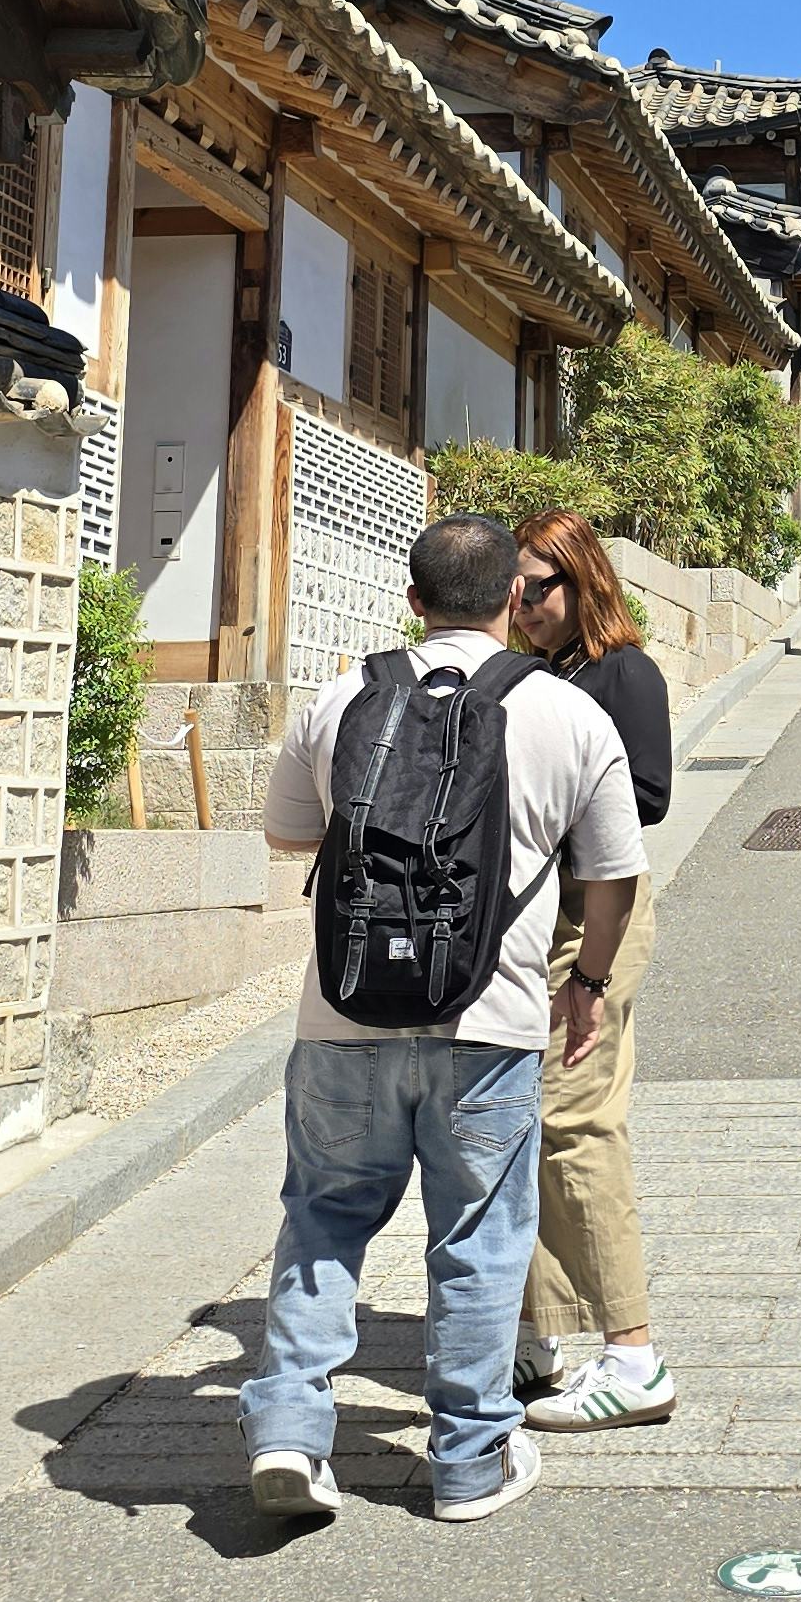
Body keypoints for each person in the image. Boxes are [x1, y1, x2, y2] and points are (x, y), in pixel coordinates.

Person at [242, 516, 643, 1526]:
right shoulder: (565, 714)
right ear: (514, 596)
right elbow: (614, 874)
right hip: (492, 1022)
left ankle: (291, 1427)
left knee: (324, 1218)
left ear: (412, 600)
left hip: (341, 1021)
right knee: (476, 1238)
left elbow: (290, 830)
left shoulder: (342, 697)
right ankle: (469, 1459)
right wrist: (586, 983)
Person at [509, 510, 678, 1430]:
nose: (522, 604)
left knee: (575, 1120)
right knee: (519, 1123)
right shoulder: (534, 675)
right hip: (536, 916)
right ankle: (537, 1332)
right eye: (512, 590)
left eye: (536, 587)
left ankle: (633, 1353)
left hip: (599, 915)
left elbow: (647, 796)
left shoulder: (625, 673)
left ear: (583, 584)